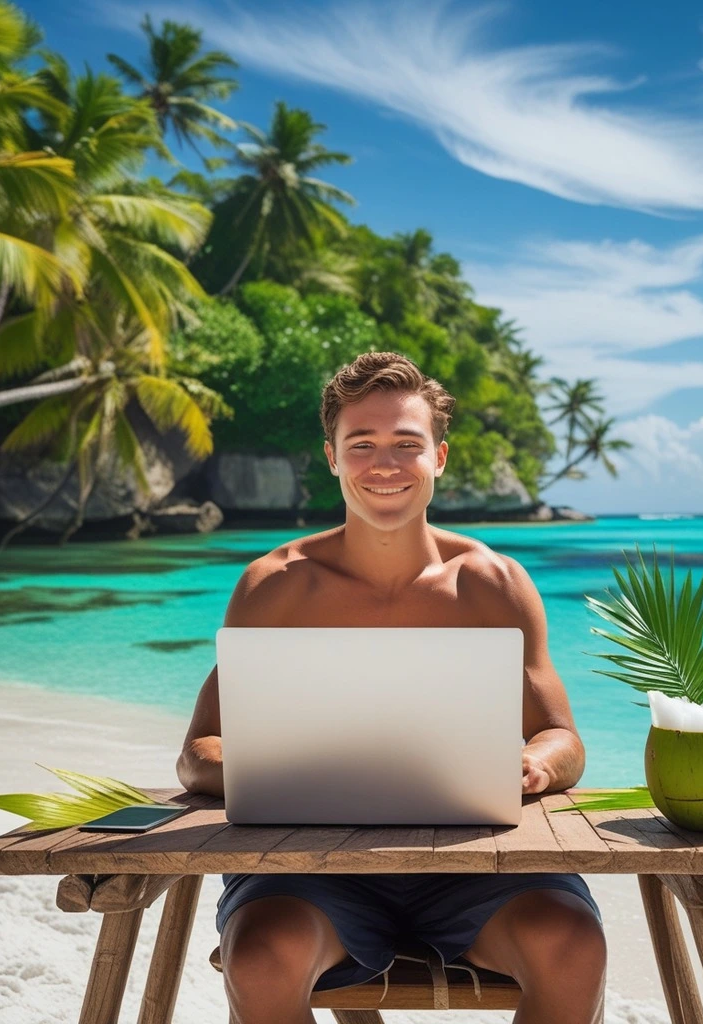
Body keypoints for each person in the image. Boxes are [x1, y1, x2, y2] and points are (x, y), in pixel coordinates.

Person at [177, 351, 607, 1024]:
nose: (385, 464)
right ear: (332, 457)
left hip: (477, 858)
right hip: (310, 865)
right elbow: (199, 751)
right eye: (362, 444)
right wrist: (282, 775)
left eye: (407, 445)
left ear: (438, 456)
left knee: (573, 945)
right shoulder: (277, 586)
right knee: (262, 956)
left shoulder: (492, 583)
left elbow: (564, 739)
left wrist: (534, 765)